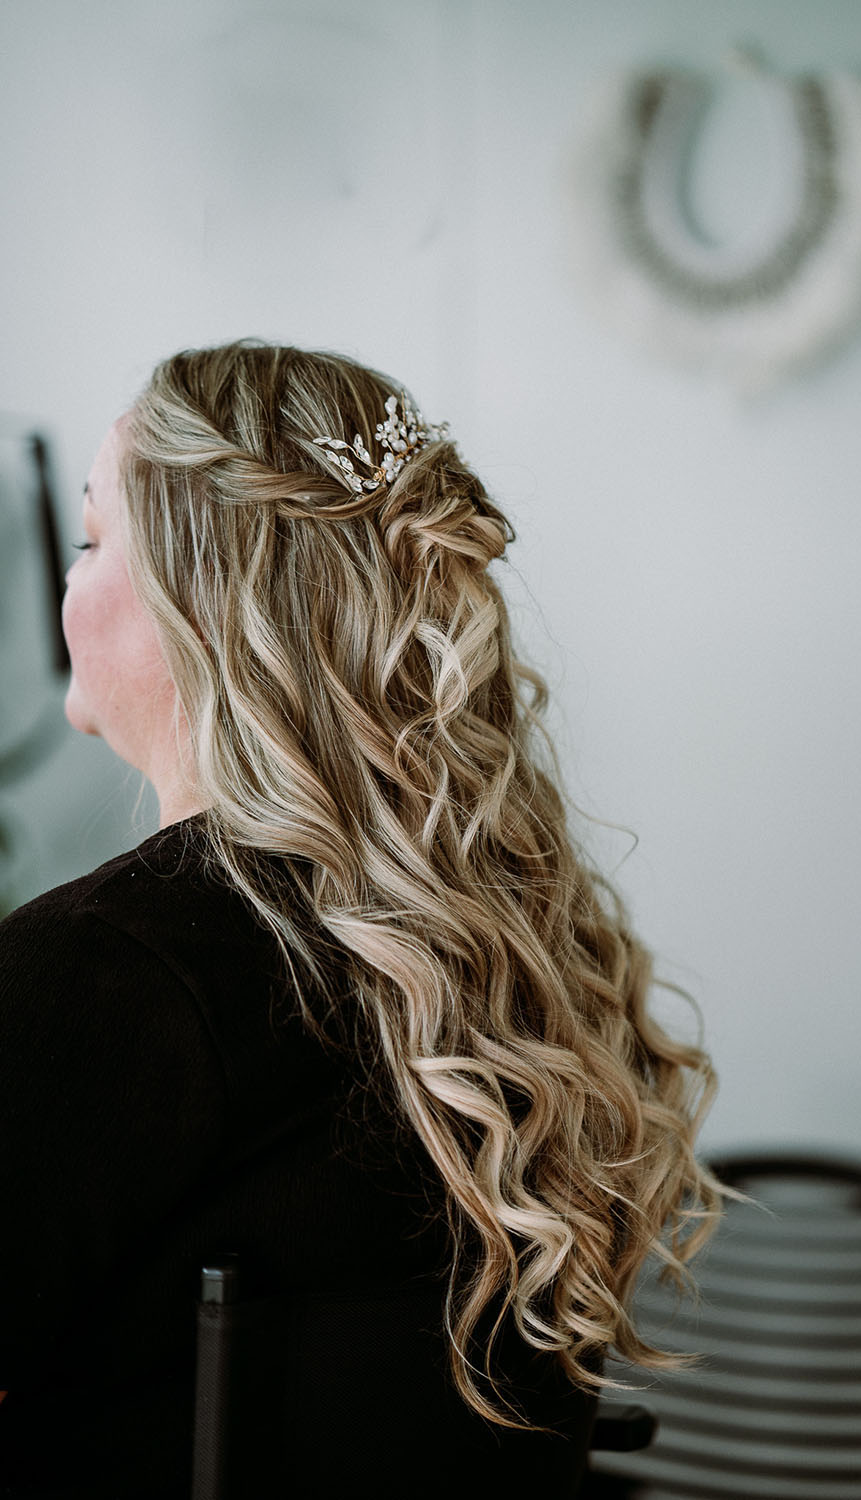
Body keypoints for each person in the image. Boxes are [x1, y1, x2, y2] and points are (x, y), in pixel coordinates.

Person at [0, 341, 719, 1498]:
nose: (65, 588)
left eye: (91, 543)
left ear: (200, 604)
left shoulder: (103, 974)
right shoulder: (521, 945)